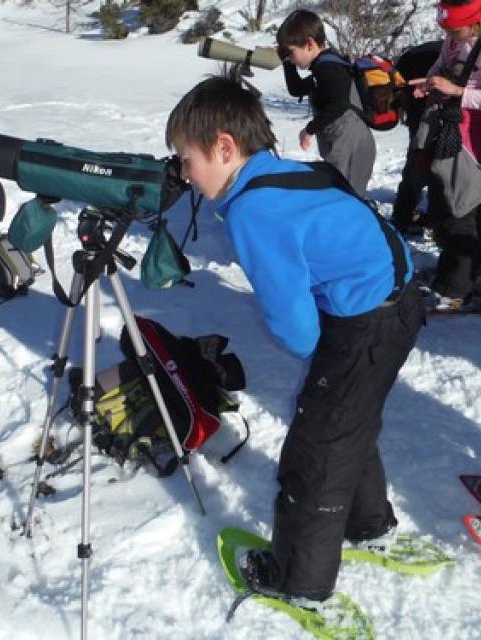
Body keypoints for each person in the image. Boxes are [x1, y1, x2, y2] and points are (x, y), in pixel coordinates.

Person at [165, 72, 424, 608]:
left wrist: (324, 359)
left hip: (368, 320)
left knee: (317, 447)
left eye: (187, 160)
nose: (186, 175)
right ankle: (368, 521)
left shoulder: (254, 211)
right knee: (344, 421)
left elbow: (293, 324)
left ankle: (300, 580)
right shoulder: (281, 175)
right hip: (395, 301)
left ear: (225, 147)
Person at [411, 0, 481, 310]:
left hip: (473, 140)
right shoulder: (454, 41)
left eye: (456, 30)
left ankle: (457, 287)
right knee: (449, 202)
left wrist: (455, 92)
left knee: (462, 208)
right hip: (454, 132)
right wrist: (429, 81)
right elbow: (441, 64)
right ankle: (458, 276)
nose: (451, 36)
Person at [276, 9, 376, 197]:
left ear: (309, 44)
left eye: (290, 52)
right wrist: (287, 62)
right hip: (342, 144)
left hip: (351, 146)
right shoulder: (322, 67)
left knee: (346, 198)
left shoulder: (329, 68)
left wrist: (310, 129)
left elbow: (338, 104)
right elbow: (297, 89)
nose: (289, 56)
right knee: (341, 195)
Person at [392, 41, 443, 235]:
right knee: (425, 163)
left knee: (418, 161)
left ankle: (404, 214)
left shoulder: (444, 48)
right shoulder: (458, 52)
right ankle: (407, 215)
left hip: (419, 107)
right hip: (427, 110)